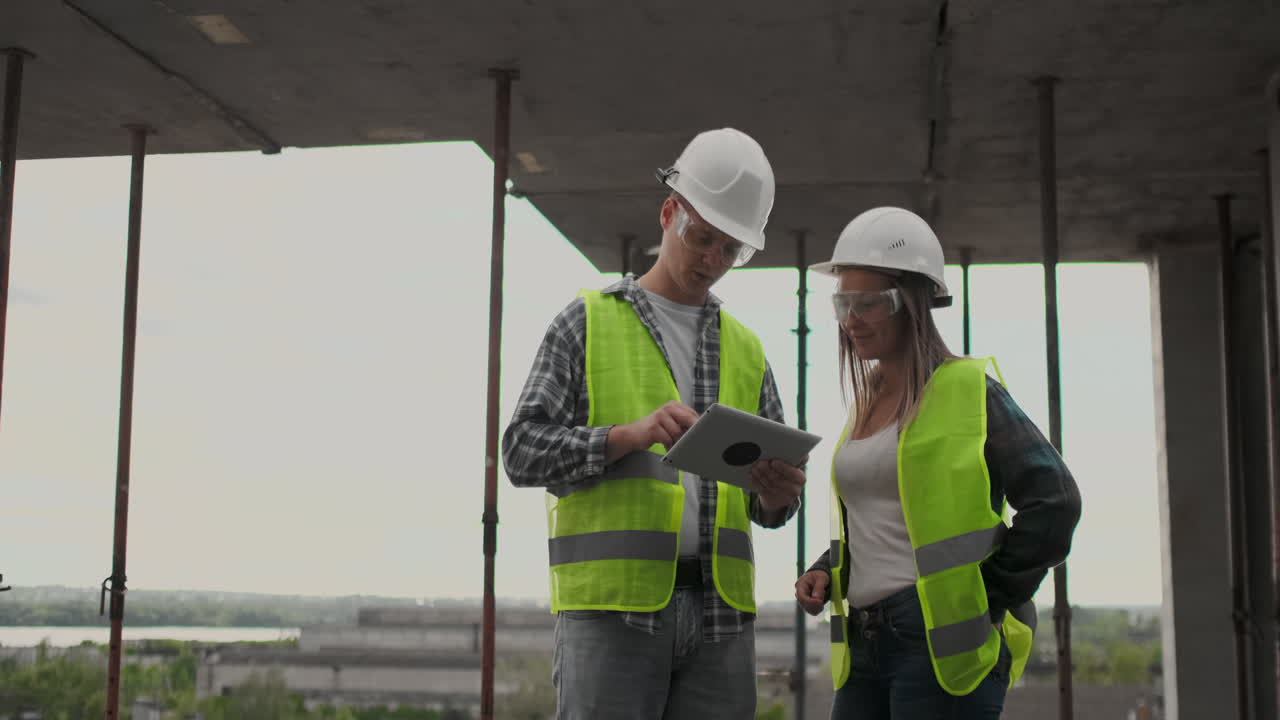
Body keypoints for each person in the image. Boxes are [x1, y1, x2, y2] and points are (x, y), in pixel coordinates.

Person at [502, 127, 806, 720]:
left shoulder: (746, 349)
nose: (713, 261)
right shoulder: (584, 323)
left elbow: (771, 508)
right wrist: (627, 436)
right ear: (669, 213)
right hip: (612, 617)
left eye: (732, 250)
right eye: (703, 237)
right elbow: (520, 451)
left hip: (721, 619)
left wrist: (776, 497)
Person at [793, 207, 1082, 719]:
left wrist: (985, 595)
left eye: (869, 303)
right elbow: (895, 515)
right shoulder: (871, 399)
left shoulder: (969, 391)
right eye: (844, 303)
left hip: (935, 648)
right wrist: (825, 570)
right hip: (863, 642)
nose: (851, 320)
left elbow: (1055, 503)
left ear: (913, 302)